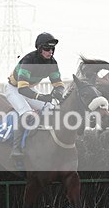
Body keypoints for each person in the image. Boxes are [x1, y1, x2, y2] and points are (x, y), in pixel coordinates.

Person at [5, 32, 66, 162]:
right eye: (47, 49)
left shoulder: (52, 63)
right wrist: (42, 97)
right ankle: (16, 149)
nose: (50, 52)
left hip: (29, 88)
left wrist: (58, 92)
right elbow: (22, 89)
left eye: (52, 49)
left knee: (51, 108)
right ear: (39, 49)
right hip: (15, 89)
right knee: (28, 114)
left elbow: (58, 84)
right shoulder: (28, 61)